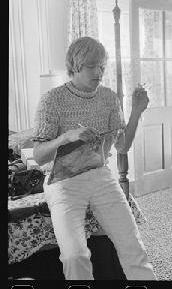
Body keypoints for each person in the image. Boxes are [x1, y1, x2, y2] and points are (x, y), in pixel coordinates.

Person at [32, 36, 157, 280]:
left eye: (102, 66)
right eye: (92, 66)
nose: (99, 72)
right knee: (74, 256)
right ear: (76, 65)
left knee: (134, 246)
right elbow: (38, 156)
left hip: (101, 177)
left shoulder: (109, 98)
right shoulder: (52, 100)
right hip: (63, 184)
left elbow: (122, 146)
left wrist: (136, 112)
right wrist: (66, 137)